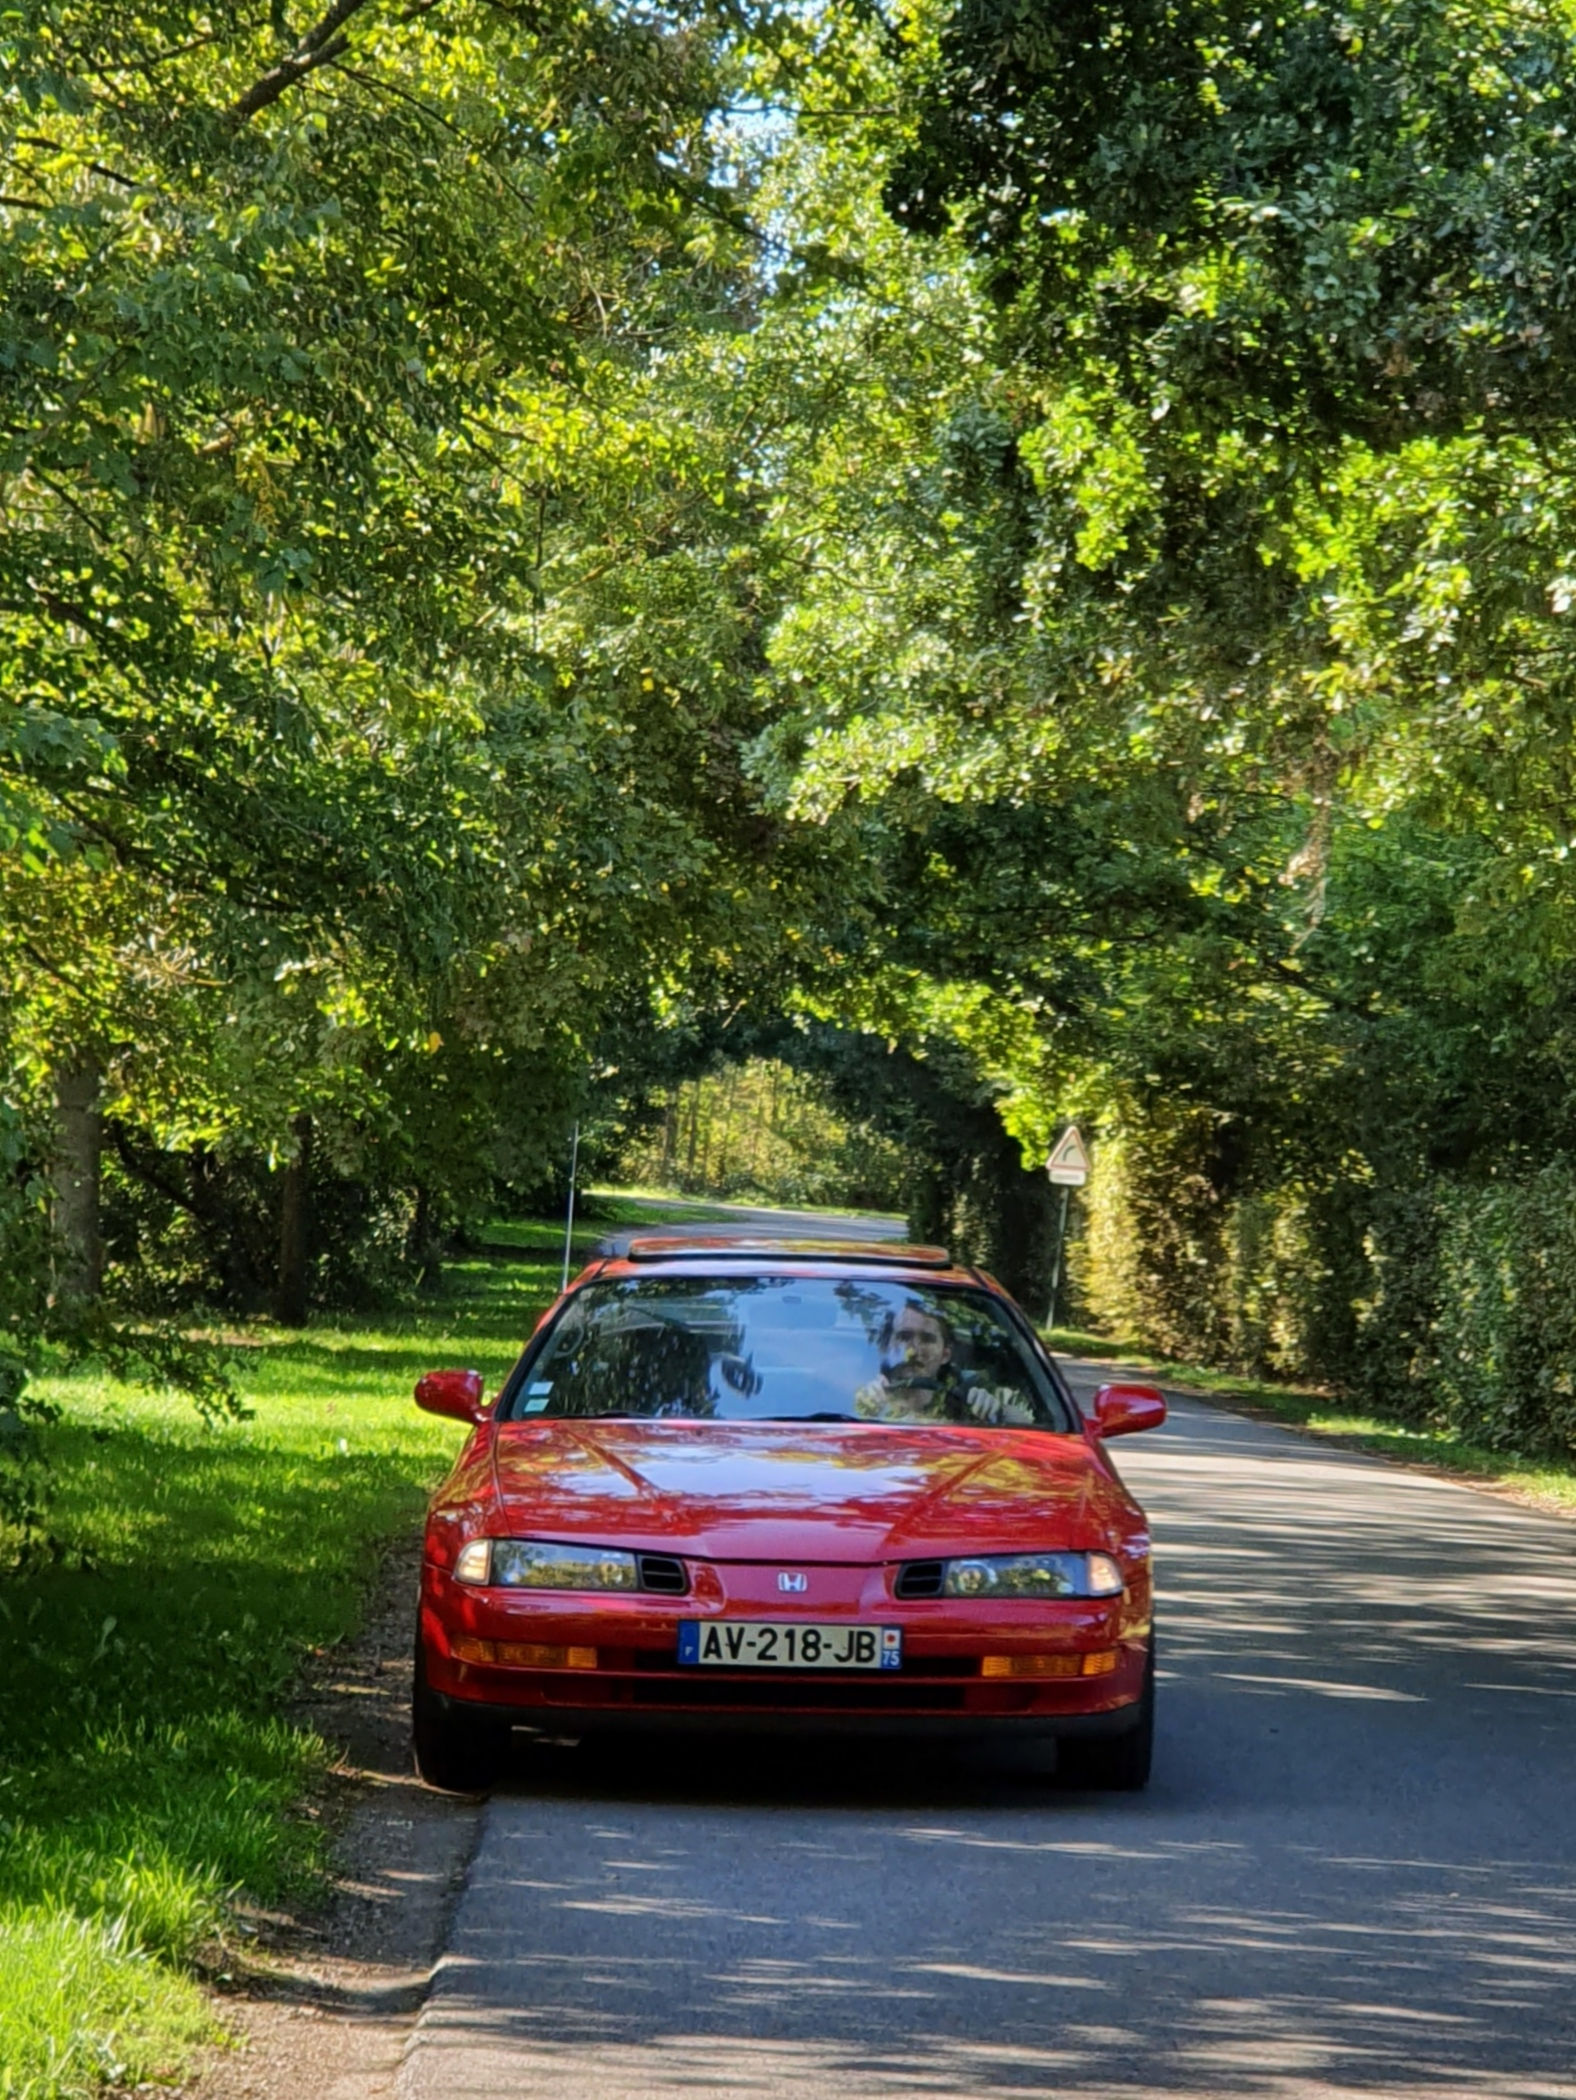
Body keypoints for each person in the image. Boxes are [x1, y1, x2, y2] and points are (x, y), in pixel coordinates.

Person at [854, 1300, 1035, 1425]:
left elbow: (1039, 1434)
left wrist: (999, 1412)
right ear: (886, 1347)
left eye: (927, 1339)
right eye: (904, 1337)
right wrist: (865, 1410)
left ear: (945, 1355)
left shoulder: (969, 1396)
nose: (914, 1351)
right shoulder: (859, 1395)